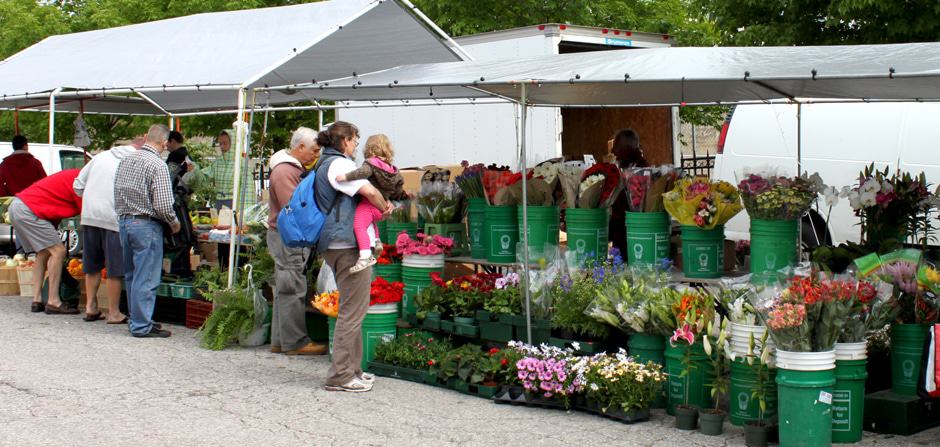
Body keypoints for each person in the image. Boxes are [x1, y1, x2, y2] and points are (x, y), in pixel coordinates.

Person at [315, 122, 393, 393]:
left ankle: (354, 369)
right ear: (345, 141)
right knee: (352, 311)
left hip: (337, 243)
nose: (356, 146)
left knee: (354, 309)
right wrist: (385, 207)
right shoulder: (338, 165)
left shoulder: (326, 162)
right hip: (346, 245)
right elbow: (369, 192)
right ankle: (340, 376)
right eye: (354, 141)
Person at [114, 124, 180, 338]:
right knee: (147, 276)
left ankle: (137, 319)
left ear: (146, 137)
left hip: (124, 222)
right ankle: (142, 325)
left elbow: (117, 192)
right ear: (164, 143)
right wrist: (173, 222)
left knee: (132, 275)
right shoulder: (157, 164)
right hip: (146, 225)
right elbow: (162, 204)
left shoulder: (126, 160)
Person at [267, 127, 325, 355]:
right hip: (288, 237)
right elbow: (293, 208)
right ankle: (295, 342)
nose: (316, 155)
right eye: (313, 150)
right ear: (300, 147)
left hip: (283, 235)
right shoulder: (285, 171)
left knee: (285, 286)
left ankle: (280, 341)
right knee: (292, 286)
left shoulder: (286, 169)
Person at [73, 143, 136, 323]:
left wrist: (90, 199)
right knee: (114, 268)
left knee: (92, 264)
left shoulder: (99, 157)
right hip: (113, 218)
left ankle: (90, 307)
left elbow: (77, 185)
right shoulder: (132, 161)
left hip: (90, 215)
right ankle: (114, 312)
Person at [8, 169, 82, 314]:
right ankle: (54, 301)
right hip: (29, 210)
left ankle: (37, 300)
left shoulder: (73, 176)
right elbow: (87, 214)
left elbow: (54, 209)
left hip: (18, 206)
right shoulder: (80, 183)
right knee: (58, 251)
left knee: (43, 252)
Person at [334, 134, 408, 273]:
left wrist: (346, 176)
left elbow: (362, 173)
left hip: (369, 204)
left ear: (369, 148)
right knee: (370, 222)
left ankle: (365, 256)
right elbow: (398, 190)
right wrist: (393, 201)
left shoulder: (370, 163)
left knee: (359, 225)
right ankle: (376, 241)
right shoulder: (394, 170)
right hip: (380, 209)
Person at [608, 129, 650, 257]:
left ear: (625, 148)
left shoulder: (641, 168)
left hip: (633, 229)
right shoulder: (624, 167)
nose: (613, 151)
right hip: (620, 229)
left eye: (616, 147)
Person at [206, 130, 256, 211]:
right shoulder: (218, 162)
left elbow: (248, 189)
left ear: (233, 144)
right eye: (220, 144)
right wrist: (194, 171)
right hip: (219, 203)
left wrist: (245, 210)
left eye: (225, 143)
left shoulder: (241, 163)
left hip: (234, 204)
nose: (222, 147)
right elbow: (205, 176)